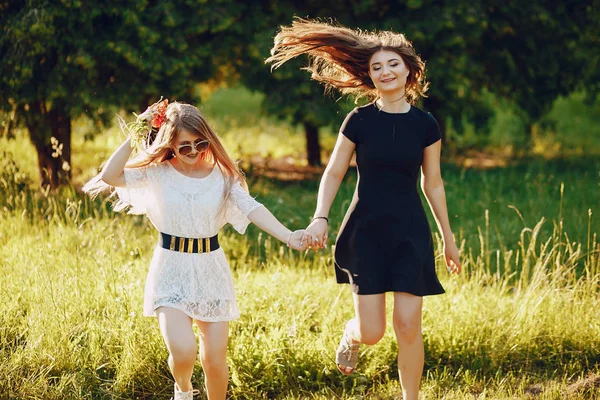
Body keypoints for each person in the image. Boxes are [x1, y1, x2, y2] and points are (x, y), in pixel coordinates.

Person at [266, 18, 462, 400]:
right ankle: (352, 335)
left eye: (392, 64)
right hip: (365, 233)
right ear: (369, 77)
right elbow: (335, 171)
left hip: (409, 232)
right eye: (376, 67)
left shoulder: (426, 124)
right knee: (373, 332)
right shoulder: (358, 120)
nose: (385, 71)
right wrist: (320, 217)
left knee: (408, 326)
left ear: (409, 69)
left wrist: (448, 238)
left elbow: (433, 183)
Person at [83, 100, 307, 400]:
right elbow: (110, 176)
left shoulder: (222, 176)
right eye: (184, 146)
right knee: (184, 350)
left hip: (210, 269)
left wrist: (289, 236)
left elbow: (252, 208)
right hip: (170, 269)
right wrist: (140, 127)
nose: (193, 152)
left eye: (199, 144)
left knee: (214, 359)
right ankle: (184, 390)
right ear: (170, 145)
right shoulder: (156, 172)